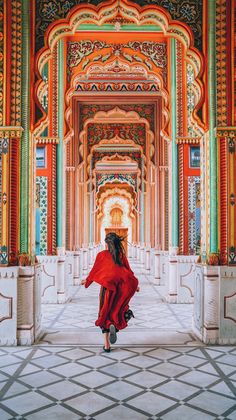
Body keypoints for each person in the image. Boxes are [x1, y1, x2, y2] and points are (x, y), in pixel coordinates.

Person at [81, 232, 139, 352]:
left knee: (104, 313)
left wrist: (87, 282)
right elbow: (128, 272)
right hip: (119, 290)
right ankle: (114, 326)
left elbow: (95, 271)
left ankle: (106, 345)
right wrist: (134, 285)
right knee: (118, 311)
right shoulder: (121, 256)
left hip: (106, 290)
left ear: (107, 244)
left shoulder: (101, 255)